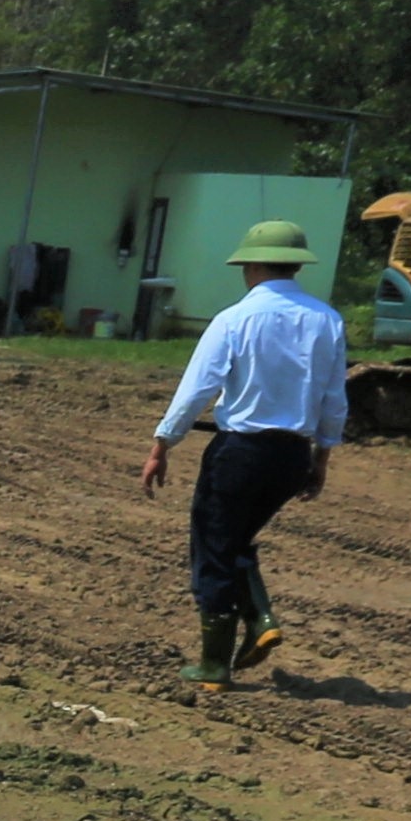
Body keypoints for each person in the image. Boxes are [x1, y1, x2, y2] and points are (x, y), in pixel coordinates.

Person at [135, 218, 345, 690]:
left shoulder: (234, 320)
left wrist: (162, 444)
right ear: (296, 265)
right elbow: (334, 399)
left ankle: (215, 664)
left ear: (249, 264)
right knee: (235, 541)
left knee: (213, 547)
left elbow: (197, 389)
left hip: (240, 453)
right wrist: (321, 459)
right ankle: (260, 620)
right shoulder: (328, 321)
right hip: (291, 457)